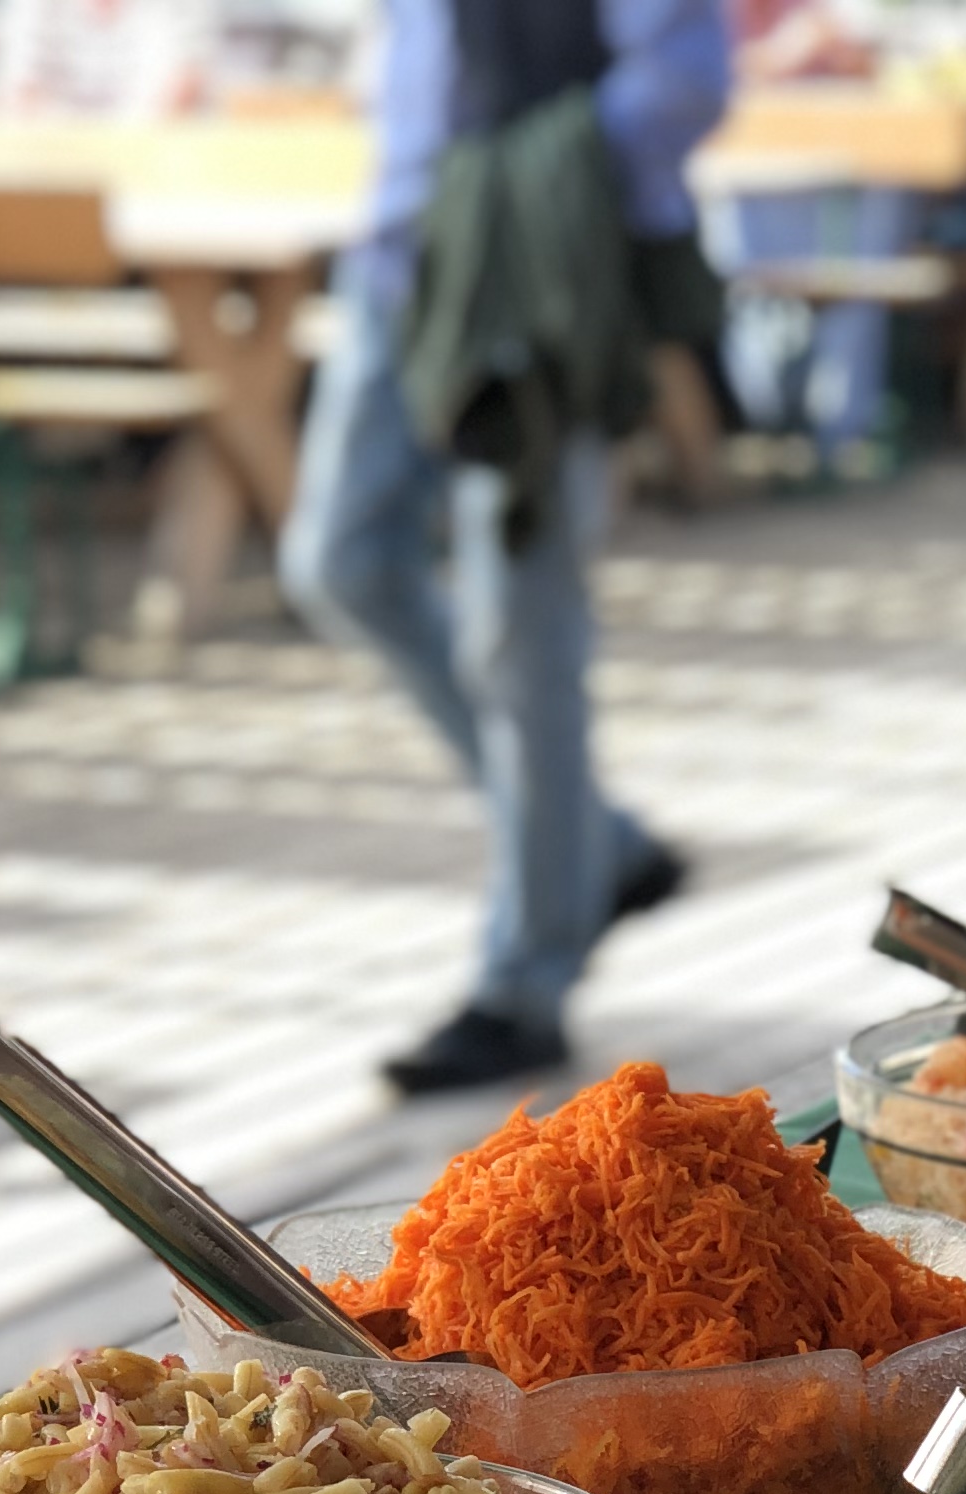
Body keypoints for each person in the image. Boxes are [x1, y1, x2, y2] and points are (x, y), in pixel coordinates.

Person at [282, 0, 734, 1096]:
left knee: (522, 630)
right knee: (339, 564)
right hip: (398, 265)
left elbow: (687, 76)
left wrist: (533, 184)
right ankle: (598, 848)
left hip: (538, 271)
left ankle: (525, 983)